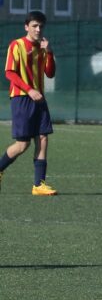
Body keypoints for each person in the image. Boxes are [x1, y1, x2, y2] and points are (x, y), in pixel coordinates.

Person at [0, 11, 57, 196]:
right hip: (21, 98)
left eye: (41, 26)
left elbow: (50, 73)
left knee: (43, 137)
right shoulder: (16, 45)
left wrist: (49, 51)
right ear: (26, 27)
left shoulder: (42, 48)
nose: (38, 29)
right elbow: (9, 72)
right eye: (34, 26)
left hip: (39, 98)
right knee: (22, 145)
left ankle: (38, 185)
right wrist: (29, 90)